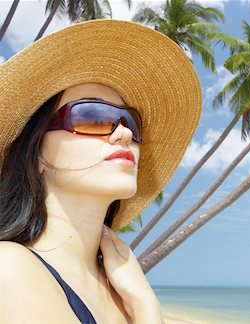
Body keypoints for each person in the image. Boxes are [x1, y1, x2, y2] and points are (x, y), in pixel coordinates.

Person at [0, 19, 201, 323]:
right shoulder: (9, 269)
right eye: (92, 116)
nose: (123, 134)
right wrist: (147, 308)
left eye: (130, 122)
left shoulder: (122, 285)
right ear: (36, 152)